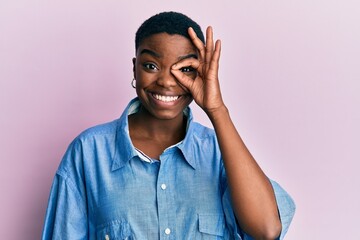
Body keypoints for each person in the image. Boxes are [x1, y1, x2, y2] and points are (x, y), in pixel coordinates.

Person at [42, 11, 295, 240]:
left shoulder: (220, 152)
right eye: (151, 66)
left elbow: (267, 229)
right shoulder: (88, 152)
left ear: (200, 74)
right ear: (135, 68)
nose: (165, 81)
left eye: (184, 69)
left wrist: (217, 110)